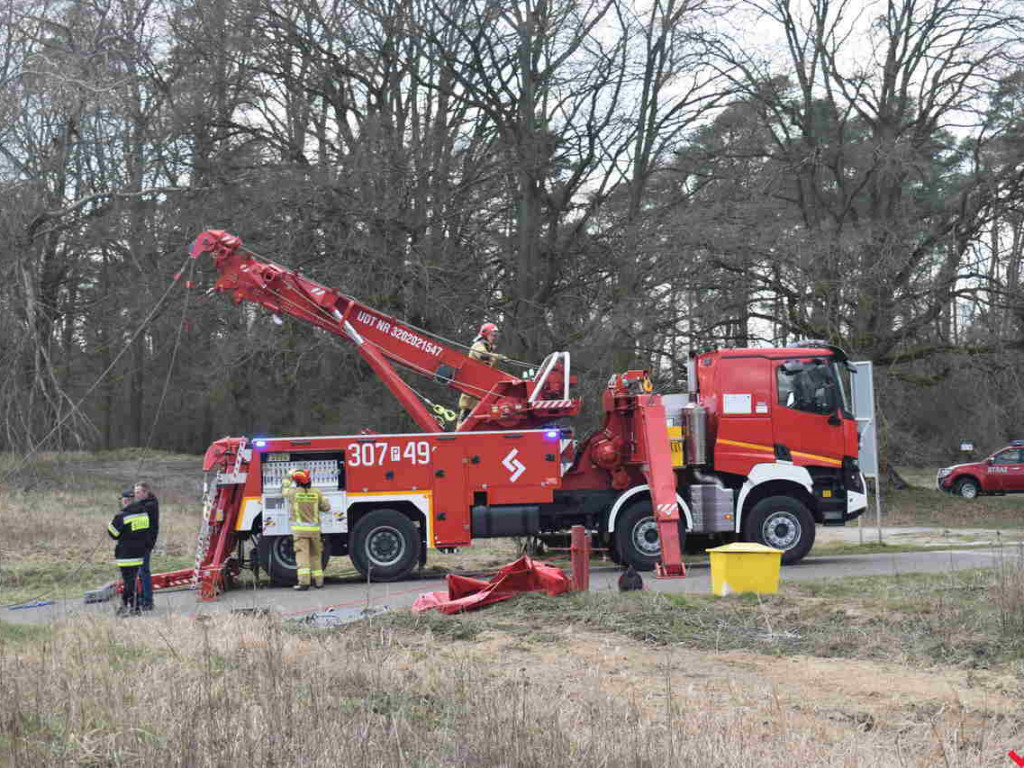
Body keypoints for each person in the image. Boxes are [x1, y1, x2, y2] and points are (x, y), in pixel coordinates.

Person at [281, 469, 331, 590]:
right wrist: (323, 500)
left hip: (300, 532)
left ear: (297, 482)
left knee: (302, 556)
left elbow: (284, 491)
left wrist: (287, 478)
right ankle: (319, 582)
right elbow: (326, 507)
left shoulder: (294, 493)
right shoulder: (316, 492)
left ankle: (304, 583)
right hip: (315, 532)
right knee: (316, 556)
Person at [108, 489, 152, 615]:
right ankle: (124, 605)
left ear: (126, 501)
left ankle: (135, 607)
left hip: (126, 554)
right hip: (139, 553)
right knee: (131, 580)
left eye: (122, 501)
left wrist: (110, 524)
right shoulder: (143, 513)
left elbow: (113, 534)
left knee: (129, 582)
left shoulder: (122, 516)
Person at [456, 322, 503, 428]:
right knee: (466, 418)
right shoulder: (478, 345)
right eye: (493, 335)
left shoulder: (488, 347)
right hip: (472, 389)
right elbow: (483, 356)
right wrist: (496, 356)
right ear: (486, 334)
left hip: (480, 388)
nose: (494, 338)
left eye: (495, 336)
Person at [133, 481, 159, 611]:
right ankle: (142, 599)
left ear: (145, 492)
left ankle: (148, 601)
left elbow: (137, 511)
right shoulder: (143, 503)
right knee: (140, 573)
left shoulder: (150, 505)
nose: (136, 495)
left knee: (144, 572)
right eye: (135, 492)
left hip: (145, 543)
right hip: (138, 542)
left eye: (138, 492)